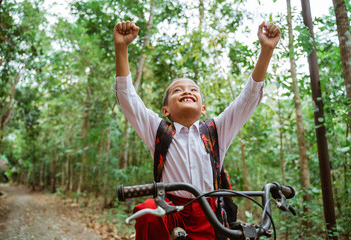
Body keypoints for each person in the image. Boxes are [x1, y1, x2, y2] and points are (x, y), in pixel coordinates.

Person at [114, 20, 281, 240]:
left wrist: (267, 50)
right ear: (165, 110)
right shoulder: (159, 131)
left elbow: (247, 99)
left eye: (194, 89)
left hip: (209, 211)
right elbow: (128, 99)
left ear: (202, 109)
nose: (187, 92)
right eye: (177, 91)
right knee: (147, 212)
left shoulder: (215, 131)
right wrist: (121, 48)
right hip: (171, 208)